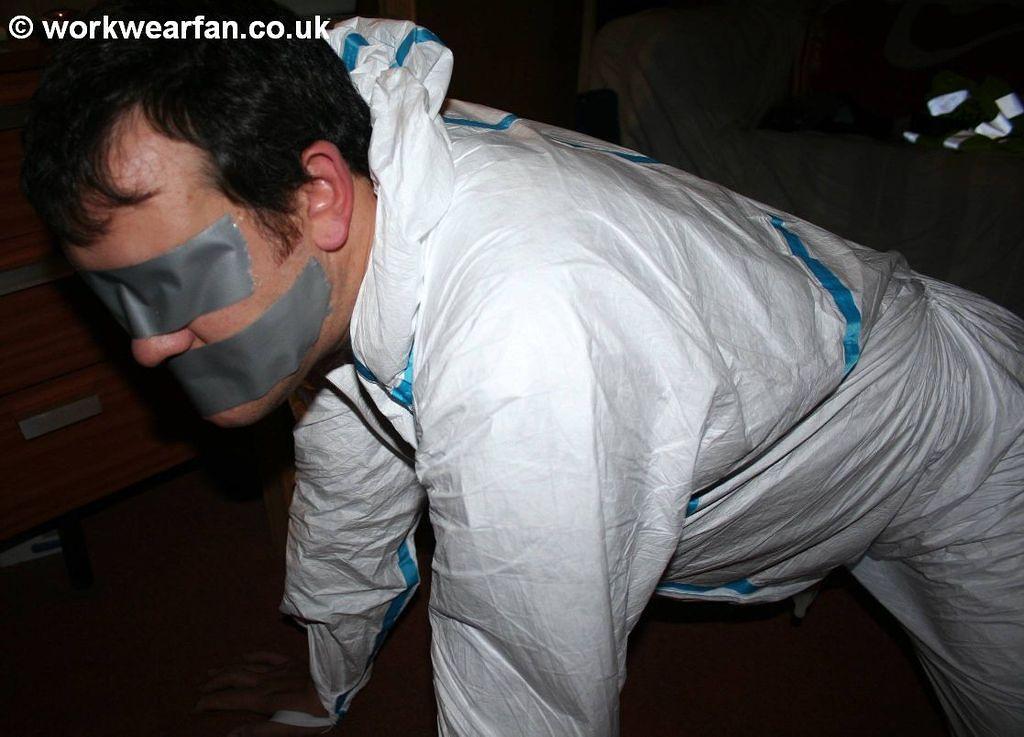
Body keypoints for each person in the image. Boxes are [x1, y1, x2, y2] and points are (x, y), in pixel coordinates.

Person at [21, 2, 1024, 735]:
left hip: (963, 458)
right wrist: (328, 668)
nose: (146, 345)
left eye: (171, 283)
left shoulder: (522, 354)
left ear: (318, 195)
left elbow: (526, 682)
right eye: (117, 298)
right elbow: (350, 461)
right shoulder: (360, 199)